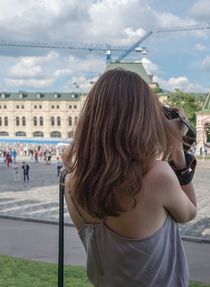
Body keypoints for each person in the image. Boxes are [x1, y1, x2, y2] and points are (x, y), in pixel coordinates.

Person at [63, 69, 197, 286]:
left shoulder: (71, 182)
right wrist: (177, 148)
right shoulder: (157, 176)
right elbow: (189, 212)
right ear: (142, 119)